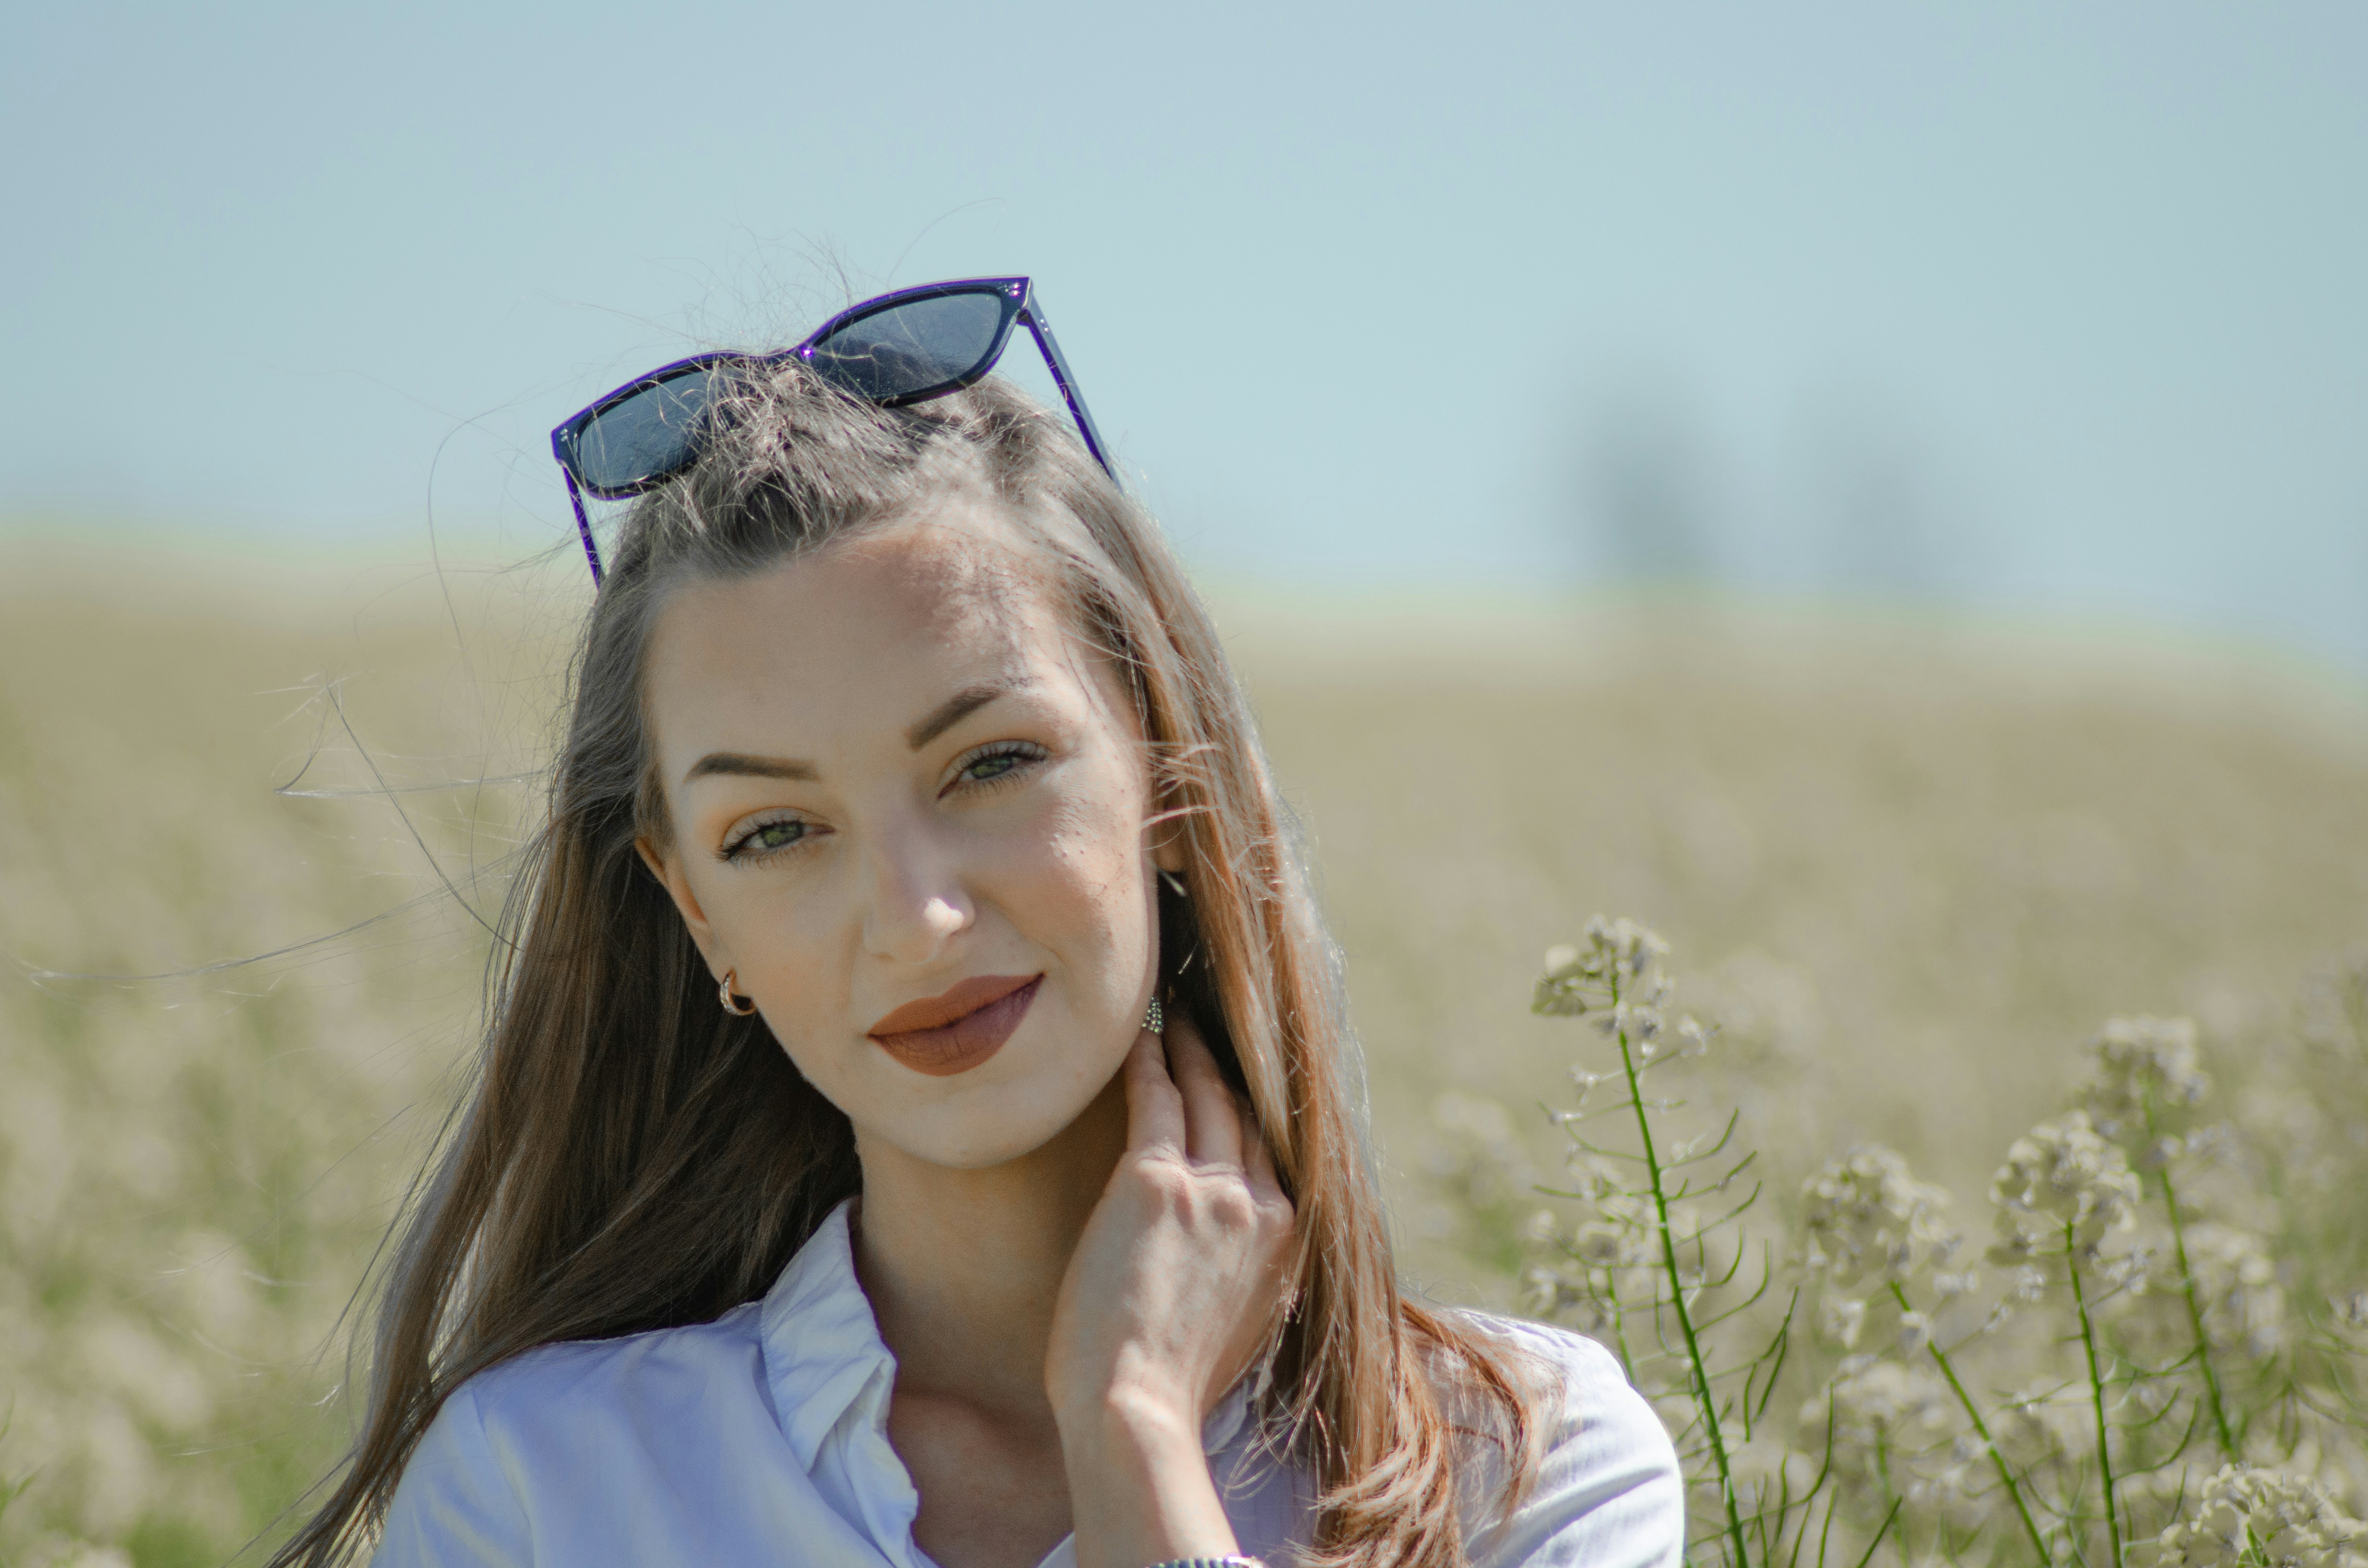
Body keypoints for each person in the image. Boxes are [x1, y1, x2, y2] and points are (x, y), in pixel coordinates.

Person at [271, 279, 1683, 1568]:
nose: (918, 918)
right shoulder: (546, 1489)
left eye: (991, 765)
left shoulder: (1528, 1465)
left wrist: (1133, 1436)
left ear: (1170, 775)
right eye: (774, 833)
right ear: (699, 913)